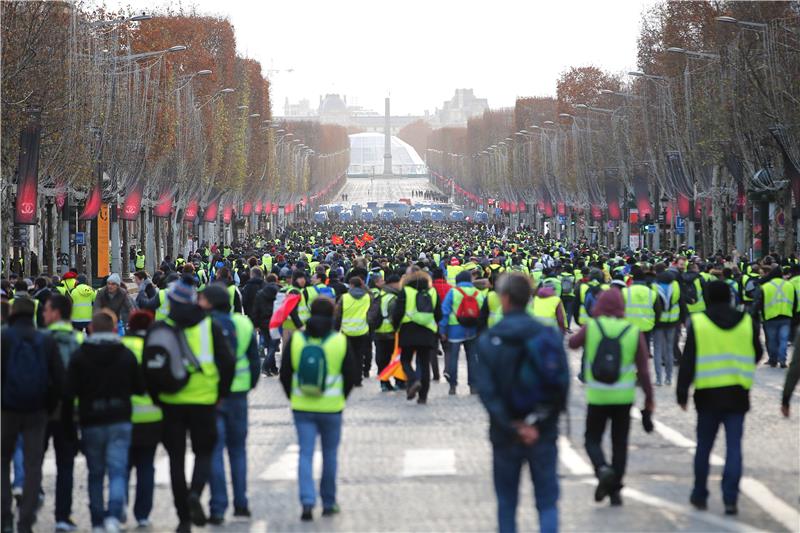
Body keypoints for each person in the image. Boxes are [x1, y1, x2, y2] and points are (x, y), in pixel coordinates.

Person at [476, 273, 568, 533]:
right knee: (547, 502)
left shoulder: (490, 339)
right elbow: (561, 385)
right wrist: (538, 422)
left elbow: (487, 392)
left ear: (504, 298)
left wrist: (511, 426)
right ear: (529, 298)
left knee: (507, 503)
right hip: (543, 431)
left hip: (505, 434)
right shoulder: (548, 334)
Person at [149, 276, 235, 533]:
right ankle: (196, 492)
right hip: (204, 400)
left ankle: (183, 518)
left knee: (175, 458)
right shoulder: (210, 327)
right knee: (204, 452)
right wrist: (221, 392)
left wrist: (157, 399)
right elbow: (227, 363)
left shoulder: (159, 330)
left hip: (171, 402)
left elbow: (149, 370)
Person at [678, 280, 763, 516]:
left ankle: (699, 493)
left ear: (708, 298)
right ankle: (730, 498)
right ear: (730, 297)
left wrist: (682, 391)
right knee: (734, 447)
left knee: (704, 446)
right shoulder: (747, 321)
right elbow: (757, 353)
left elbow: (688, 360)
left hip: (707, 393)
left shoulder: (699, 322)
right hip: (737, 392)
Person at [568, 289, 654, 506]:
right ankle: (615, 491)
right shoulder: (632, 331)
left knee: (591, 439)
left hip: (597, 395)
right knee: (619, 443)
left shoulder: (593, 327)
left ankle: (602, 469)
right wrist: (649, 398)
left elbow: (572, 344)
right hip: (623, 397)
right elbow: (643, 370)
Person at [64, 310, 144, 533]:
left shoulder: (80, 355)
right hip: (119, 419)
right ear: (113, 328)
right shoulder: (126, 354)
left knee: (96, 474)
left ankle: (97, 520)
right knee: (118, 472)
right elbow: (139, 387)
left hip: (92, 420)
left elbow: (69, 392)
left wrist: (70, 426)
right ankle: (114, 516)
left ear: (90, 329)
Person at [279, 297, 358, 521]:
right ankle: (329, 501)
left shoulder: (296, 340)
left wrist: (293, 396)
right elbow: (351, 376)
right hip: (331, 407)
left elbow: (285, 374)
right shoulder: (339, 341)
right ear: (333, 314)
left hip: (302, 405)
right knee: (330, 455)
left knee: (305, 453)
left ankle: (307, 501)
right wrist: (341, 396)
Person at [197, 284, 260, 525]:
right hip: (238, 394)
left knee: (214, 451)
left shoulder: (201, 326)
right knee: (238, 450)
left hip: (212, 395)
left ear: (210, 303)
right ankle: (241, 503)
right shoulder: (243, 324)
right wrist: (249, 384)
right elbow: (254, 360)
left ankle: (218, 506)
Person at [2, 298, 64, 533]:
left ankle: (4, 517)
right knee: (32, 466)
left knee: (2, 462)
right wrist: (48, 406)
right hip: (37, 412)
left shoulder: (4, 338)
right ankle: (25, 520)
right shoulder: (45, 339)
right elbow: (58, 379)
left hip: (6, 411)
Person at [42, 295, 84, 532]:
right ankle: (62, 515)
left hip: (42, 409)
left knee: (33, 461)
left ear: (56, 313)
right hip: (71, 411)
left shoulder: (41, 338)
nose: (44, 314)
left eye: (46, 310)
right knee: (65, 466)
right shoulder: (79, 339)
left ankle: (26, 508)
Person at [121, 310, 161, 529]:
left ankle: (121, 507)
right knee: (146, 467)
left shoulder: (121, 347)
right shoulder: (156, 348)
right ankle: (143, 514)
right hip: (151, 417)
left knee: (123, 467)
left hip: (124, 415)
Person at [391, 268, 442, 405]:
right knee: (424, 363)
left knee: (405, 360)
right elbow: (439, 314)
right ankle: (423, 396)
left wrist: (395, 328)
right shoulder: (433, 292)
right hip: (427, 331)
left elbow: (398, 312)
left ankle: (413, 380)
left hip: (408, 329)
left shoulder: (406, 291)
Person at [439, 270, 486, 395]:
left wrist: (442, 330)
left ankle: (453, 386)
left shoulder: (453, 292)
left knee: (454, 358)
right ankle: (473, 386)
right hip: (472, 329)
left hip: (455, 329)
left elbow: (445, 312)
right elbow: (482, 313)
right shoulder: (477, 293)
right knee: (472, 358)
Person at [754, 265, 797, 368]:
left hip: (770, 318)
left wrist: (758, 315)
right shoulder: (789, 285)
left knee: (772, 340)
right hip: (786, 317)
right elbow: (795, 302)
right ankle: (782, 359)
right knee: (783, 339)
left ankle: (773, 360)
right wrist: (793, 313)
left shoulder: (765, 287)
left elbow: (759, 303)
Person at [335, 276, 372, 385]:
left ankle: (349, 377)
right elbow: (372, 312)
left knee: (348, 355)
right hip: (362, 330)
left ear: (351, 285)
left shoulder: (344, 297)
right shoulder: (367, 297)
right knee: (359, 355)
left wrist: (335, 330)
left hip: (347, 331)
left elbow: (338, 315)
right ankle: (358, 379)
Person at [370, 273, 401, 391]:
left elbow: (371, 315)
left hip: (378, 332)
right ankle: (398, 381)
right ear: (394, 283)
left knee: (381, 359)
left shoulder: (380, 295)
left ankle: (384, 382)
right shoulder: (393, 297)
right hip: (391, 333)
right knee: (395, 358)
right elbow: (396, 316)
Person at [251, 273, 281, 376]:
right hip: (276, 321)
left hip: (263, 322)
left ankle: (272, 368)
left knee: (269, 345)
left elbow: (256, 310)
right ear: (276, 280)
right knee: (273, 345)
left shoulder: (260, 293)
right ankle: (267, 367)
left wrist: (256, 324)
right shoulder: (280, 292)